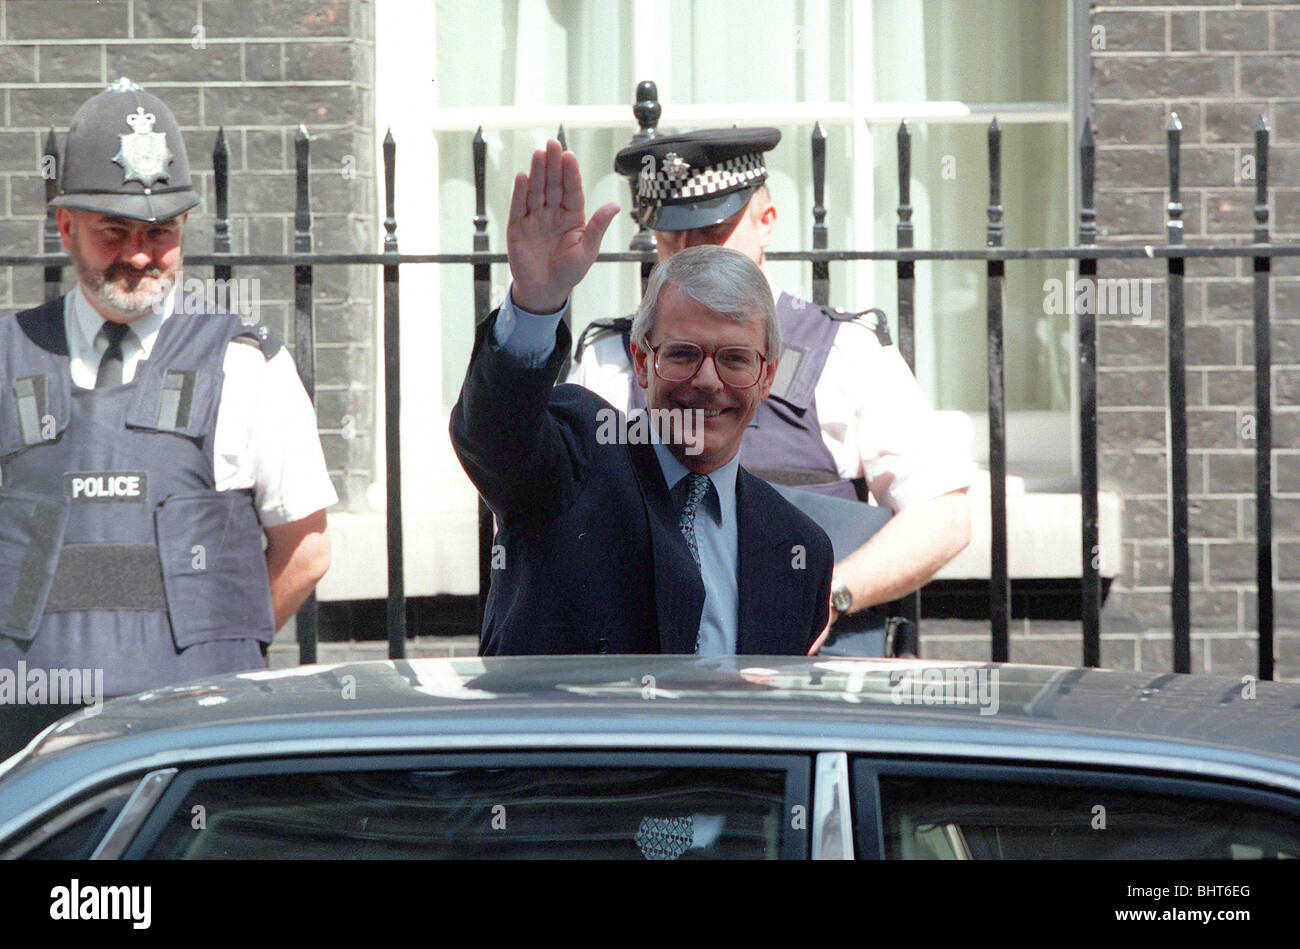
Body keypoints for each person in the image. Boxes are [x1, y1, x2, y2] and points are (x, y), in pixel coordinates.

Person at [0, 79, 335, 751]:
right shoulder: (9, 357)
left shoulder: (247, 365)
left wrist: (215, 662)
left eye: (159, 232)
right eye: (113, 231)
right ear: (66, 226)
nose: (139, 255)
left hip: (193, 747)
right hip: (30, 753)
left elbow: (308, 549)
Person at [569, 127, 974, 655]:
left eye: (712, 232)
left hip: (809, 691)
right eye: (672, 237)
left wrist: (830, 594)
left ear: (766, 222)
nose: (690, 253)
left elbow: (943, 513)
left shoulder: (844, 352)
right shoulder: (611, 359)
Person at [450, 140, 832, 656]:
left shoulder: (798, 546)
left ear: (767, 376)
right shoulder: (577, 457)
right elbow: (494, 436)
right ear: (641, 358)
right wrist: (536, 304)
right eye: (682, 354)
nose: (708, 381)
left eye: (735, 360)